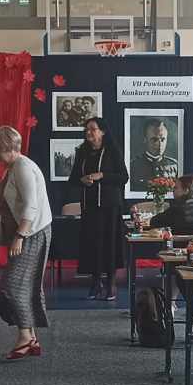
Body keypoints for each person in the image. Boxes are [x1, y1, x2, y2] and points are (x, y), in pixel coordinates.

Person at [0, 125, 51, 359]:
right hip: (30, 231)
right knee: (24, 285)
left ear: (7, 147)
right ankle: (30, 337)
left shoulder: (22, 167)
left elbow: (31, 206)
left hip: (32, 233)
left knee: (14, 285)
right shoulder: (14, 167)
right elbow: (19, 203)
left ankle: (25, 336)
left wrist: (20, 236)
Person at [69, 115, 127, 300]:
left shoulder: (112, 151)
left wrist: (102, 175)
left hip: (110, 207)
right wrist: (82, 179)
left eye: (93, 129)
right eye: (86, 130)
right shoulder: (82, 152)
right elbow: (73, 179)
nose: (89, 132)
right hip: (89, 207)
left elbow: (123, 177)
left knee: (109, 245)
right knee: (91, 244)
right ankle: (95, 283)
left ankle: (111, 283)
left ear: (102, 132)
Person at [130, 116, 181, 190]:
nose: (160, 144)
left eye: (163, 139)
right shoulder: (133, 167)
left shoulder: (174, 165)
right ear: (145, 139)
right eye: (154, 139)